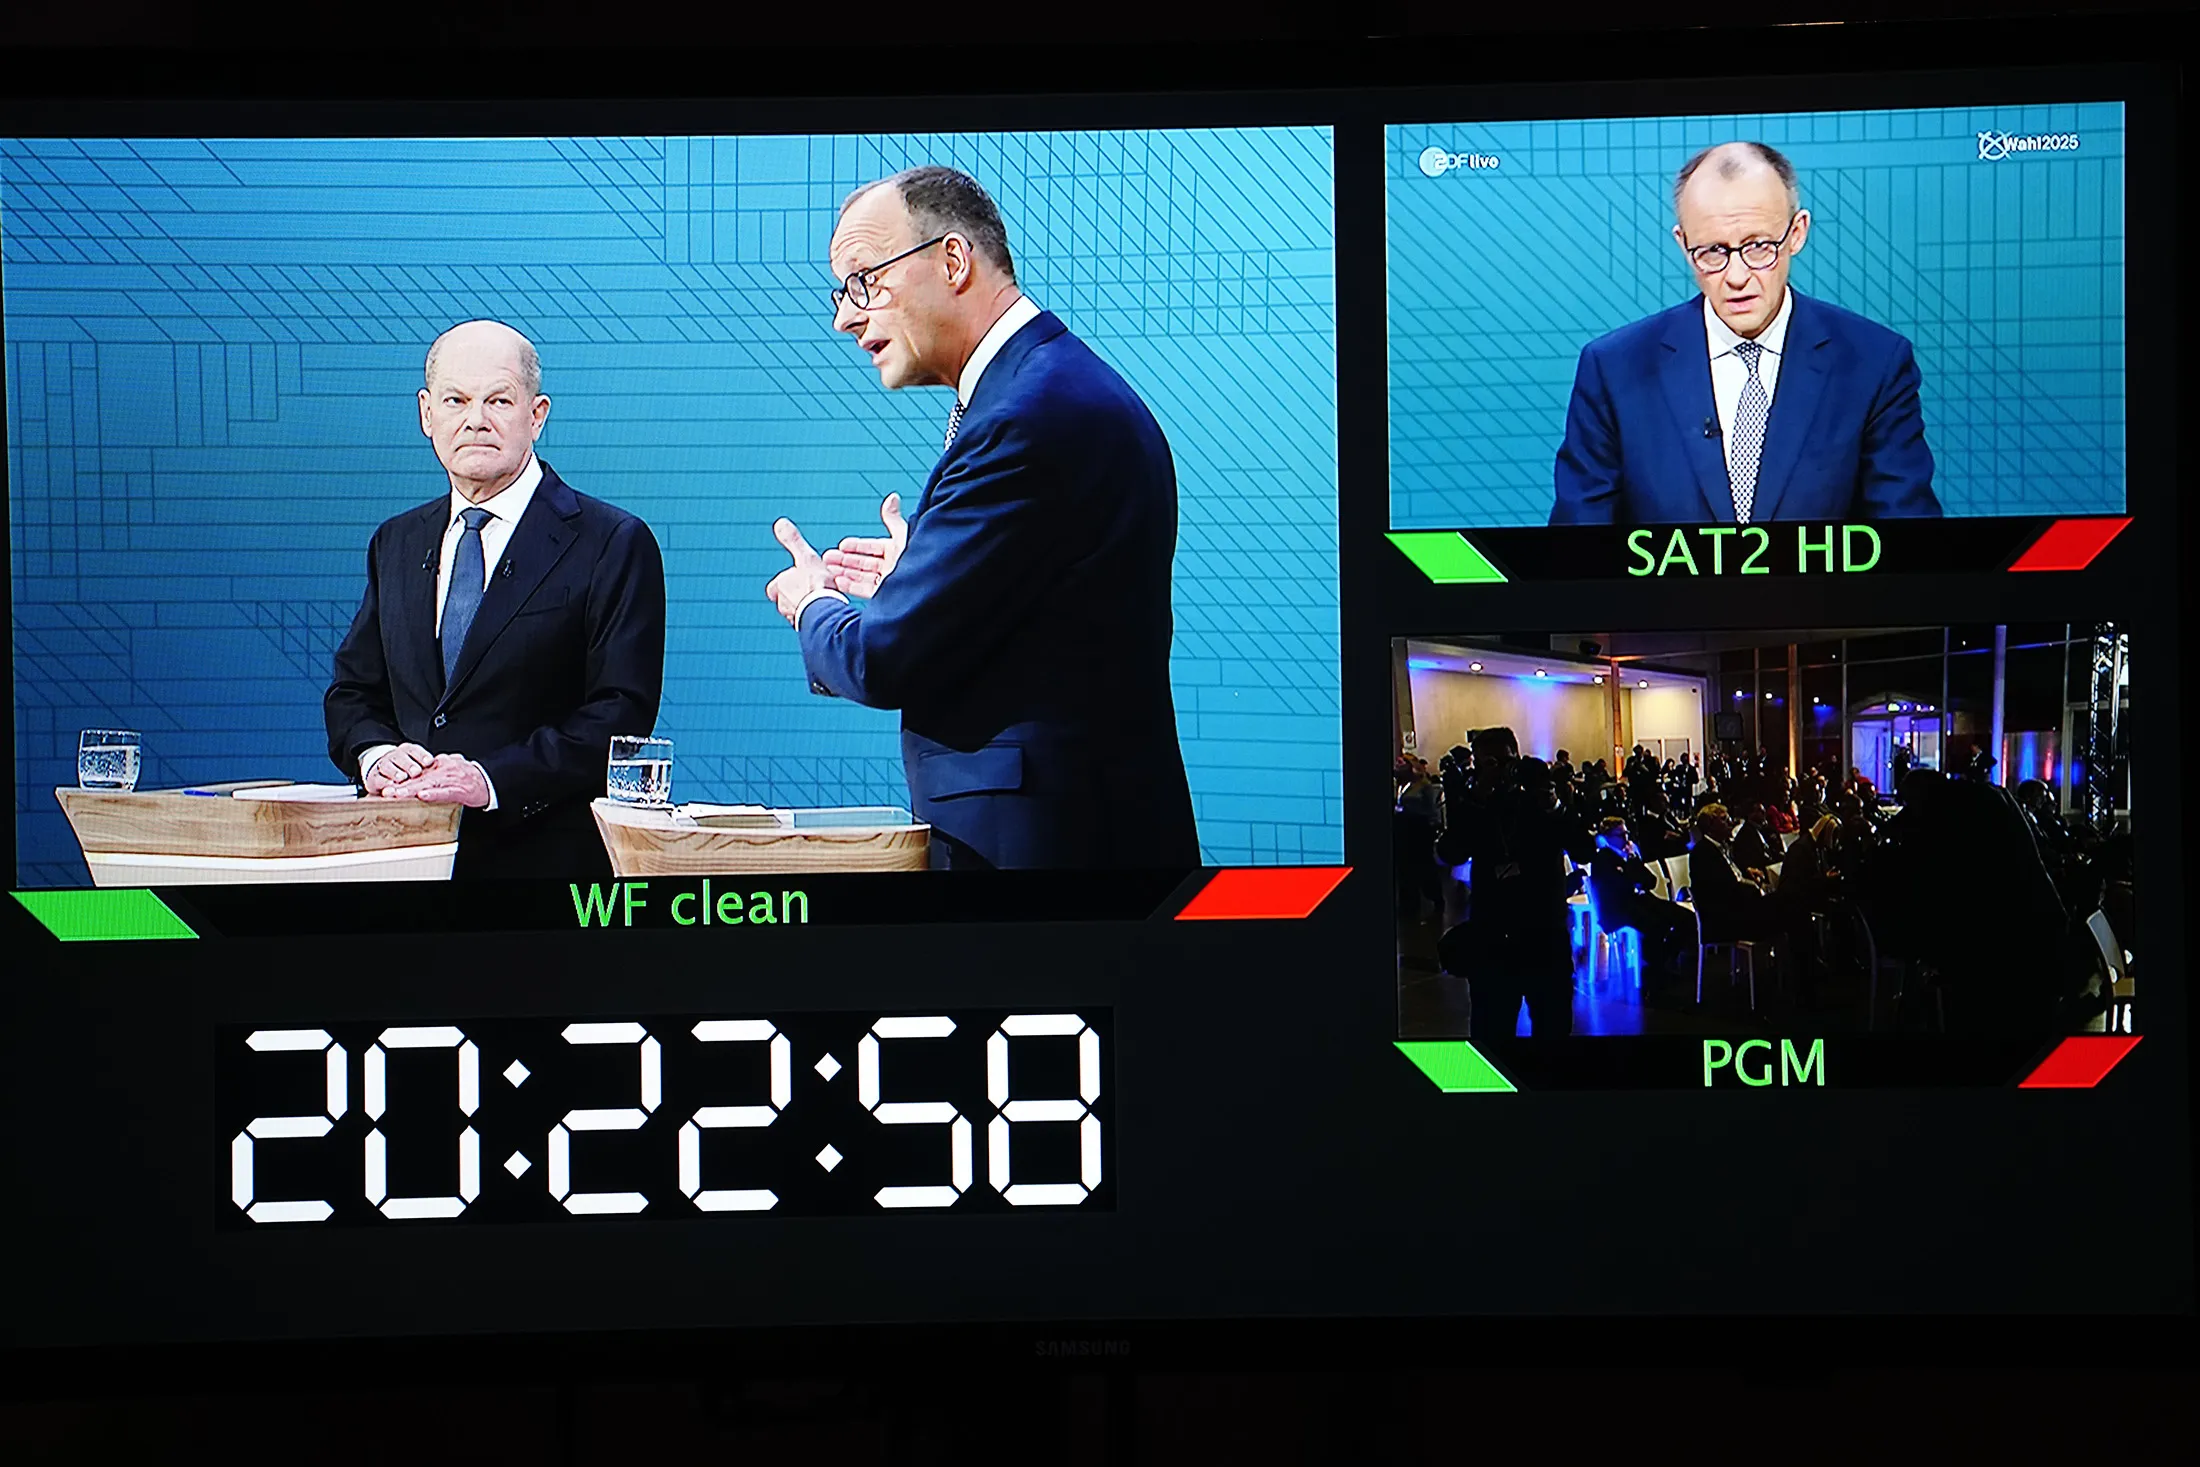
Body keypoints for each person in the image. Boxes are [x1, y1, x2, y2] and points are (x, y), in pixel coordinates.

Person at [763, 167, 1196, 869]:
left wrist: (812, 601)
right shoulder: (1053, 388)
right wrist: (923, 578)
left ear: (954, 260)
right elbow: (1043, 611)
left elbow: (880, 659)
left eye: (863, 282)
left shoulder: (1026, 419)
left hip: (1044, 866)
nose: (845, 316)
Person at [324, 320, 666, 880]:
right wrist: (376, 756)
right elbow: (353, 693)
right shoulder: (397, 541)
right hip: (399, 866)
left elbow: (620, 714)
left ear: (537, 415)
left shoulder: (612, 541)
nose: (475, 419)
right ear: (426, 414)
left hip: (546, 877)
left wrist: (488, 779)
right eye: (456, 400)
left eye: (498, 400)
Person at [1550, 142, 1941, 525]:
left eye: (1758, 247)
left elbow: (1906, 548)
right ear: (1684, 246)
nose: (1737, 277)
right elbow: (1581, 555)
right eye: (1713, 252)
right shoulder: (1615, 369)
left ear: (1797, 233)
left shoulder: (1874, 364)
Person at [1436, 728, 1593, 1039]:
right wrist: (1477, 798)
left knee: (1554, 1032)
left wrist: (1554, 806)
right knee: (1491, 1035)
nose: (1501, 771)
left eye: (1507, 762)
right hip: (1492, 940)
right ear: (1478, 766)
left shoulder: (1538, 802)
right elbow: (1449, 853)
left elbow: (1584, 850)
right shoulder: (1473, 804)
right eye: (1490, 763)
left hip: (1545, 935)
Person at [1587, 817, 1696, 997]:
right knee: (1655, 924)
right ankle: (1655, 972)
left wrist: (1633, 863)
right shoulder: (1603, 859)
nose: (1626, 838)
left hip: (1639, 900)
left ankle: (1664, 960)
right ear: (1608, 837)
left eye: (1626, 833)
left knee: (1685, 917)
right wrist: (1632, 871)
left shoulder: (1630, 855)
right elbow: (1619, 887)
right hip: (1618, 909)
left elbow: (1650, 881)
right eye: (1621, 834)